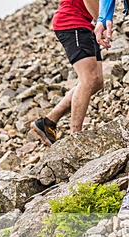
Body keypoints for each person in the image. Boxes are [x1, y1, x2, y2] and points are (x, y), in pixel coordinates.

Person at [31, 0, 103, 145]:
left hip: (85, 24)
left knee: (97, 82)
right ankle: (75, 138)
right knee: (88, 79)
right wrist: (102, 21)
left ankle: (48, 122)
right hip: (72, 22)